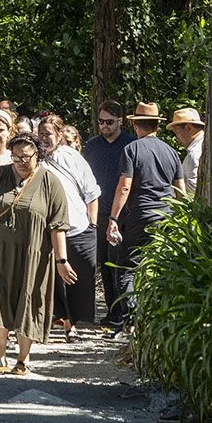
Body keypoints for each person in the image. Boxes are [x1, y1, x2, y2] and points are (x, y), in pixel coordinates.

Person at [0, 133, 75, 376]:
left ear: (38, 155)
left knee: (29, 299)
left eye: (25, 157)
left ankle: (23, 358)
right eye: (15, 156)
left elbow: (58, 225)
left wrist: (62, 260)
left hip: (34, 255)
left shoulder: (50, 182)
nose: (20, 162)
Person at [105, 102, 186, 333]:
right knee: (157, 268)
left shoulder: (132, 149)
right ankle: (155, 319)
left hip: (140, 215)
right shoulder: (171, 152)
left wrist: (113, 219)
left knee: (125, 267)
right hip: (166, 217)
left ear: (134, 123)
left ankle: (132, 319)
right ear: (158, 126)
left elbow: (124, 186)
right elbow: (180, 190)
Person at [36, 115, 101, 339]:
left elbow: (92, 192)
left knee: (79, 275)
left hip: (78, 225)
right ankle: (66, 324)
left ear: (59, 135)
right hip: (47, 229)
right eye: (41, 134)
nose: (44, 138)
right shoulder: (35, 161)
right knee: (55, 278)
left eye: (48, 134)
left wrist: (92, 225)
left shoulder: (72, 157)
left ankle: (75, 318)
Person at [82, 100, 134, 328]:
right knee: (103, 263)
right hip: (99, 211)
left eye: (109, 122)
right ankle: (112, 311)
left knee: (120, 264)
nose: (104, 126)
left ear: (120, 121)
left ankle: (125, 313)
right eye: (101, 121)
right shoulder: (92, 146)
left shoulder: (130, 144)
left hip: (123, 213)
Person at [167, 107, 206, 199]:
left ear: (189, 128)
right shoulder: (204, 144)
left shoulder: (194, 153)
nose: (176, 137)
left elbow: (193, 188)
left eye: (176, 132)